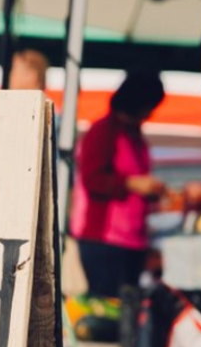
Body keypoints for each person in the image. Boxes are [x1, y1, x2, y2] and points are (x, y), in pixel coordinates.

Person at [69, 72, 166, 299]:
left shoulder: (135, 136)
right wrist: (132, 184)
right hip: (103, 240)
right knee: (107, 307)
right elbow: (92, 179)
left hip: (133, 240)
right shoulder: (103, 132)